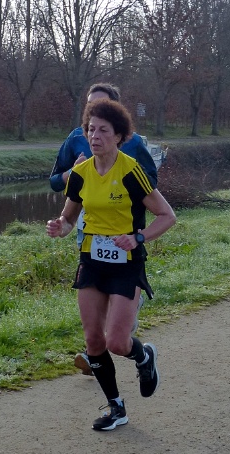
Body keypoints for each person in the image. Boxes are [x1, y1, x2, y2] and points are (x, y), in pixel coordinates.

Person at [46, 98, 176, 431]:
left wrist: (138, 237)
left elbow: (167, 216)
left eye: (103, 130)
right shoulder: (80, 173)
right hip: (91, 260)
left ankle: (143, 356)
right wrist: (60, 227)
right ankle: (116, 407)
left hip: (126, 264)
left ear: (119, 136)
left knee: (117, 342)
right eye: (91, 130)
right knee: (94, 341)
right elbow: (69, 217)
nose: (95, 136)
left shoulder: (131, 171)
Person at [50, 83, 158, 374]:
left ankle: (120, 332)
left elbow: (150, 182)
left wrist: (124, 194)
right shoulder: (76, 138)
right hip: (88, 232)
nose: (94, 133)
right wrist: (72, 173)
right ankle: (95, 352)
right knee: (94, 316)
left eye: (99, 104)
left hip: (123, 232)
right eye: (89, 107)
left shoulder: (133, 144)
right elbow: (56, 181)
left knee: (116, 333)